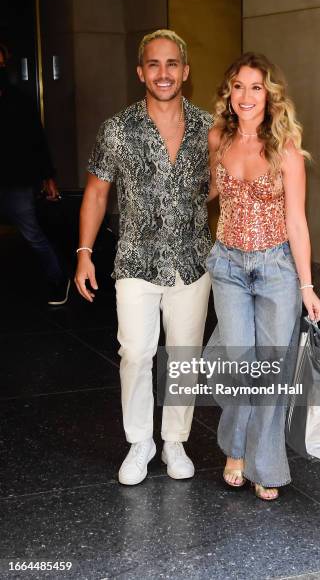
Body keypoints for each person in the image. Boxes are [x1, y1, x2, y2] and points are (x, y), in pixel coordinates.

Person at [75, 30, 212, 485]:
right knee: (135, 352)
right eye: (154, 64)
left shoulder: (210, 128)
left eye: (172, 64)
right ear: (141, 73)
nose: (164, 73)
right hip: (134, 260)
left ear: (185, 72)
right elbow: (96, 193)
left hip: (193, 261)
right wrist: (84, 253)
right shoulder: (118, 129)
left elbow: (222, 184)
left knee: (185, 356)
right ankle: (140, 442)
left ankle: (174, 442)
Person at [206, 52, 320, 501]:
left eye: (256, 87)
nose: (246, 96)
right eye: (238, 86)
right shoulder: (218, 138)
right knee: (240, 364)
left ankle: (263, 463)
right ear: (229, 93)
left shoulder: (286, 149)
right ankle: (235, 446)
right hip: (229, 266)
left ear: (269, 95)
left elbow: (297, 221)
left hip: (276, 268)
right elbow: (208, 192)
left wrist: (306, 285)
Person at [0, 43, 70, 305]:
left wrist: (48, 176)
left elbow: (36, 140)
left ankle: (58, 279)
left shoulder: (19, 101)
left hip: (17, 179)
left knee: (33, 235)